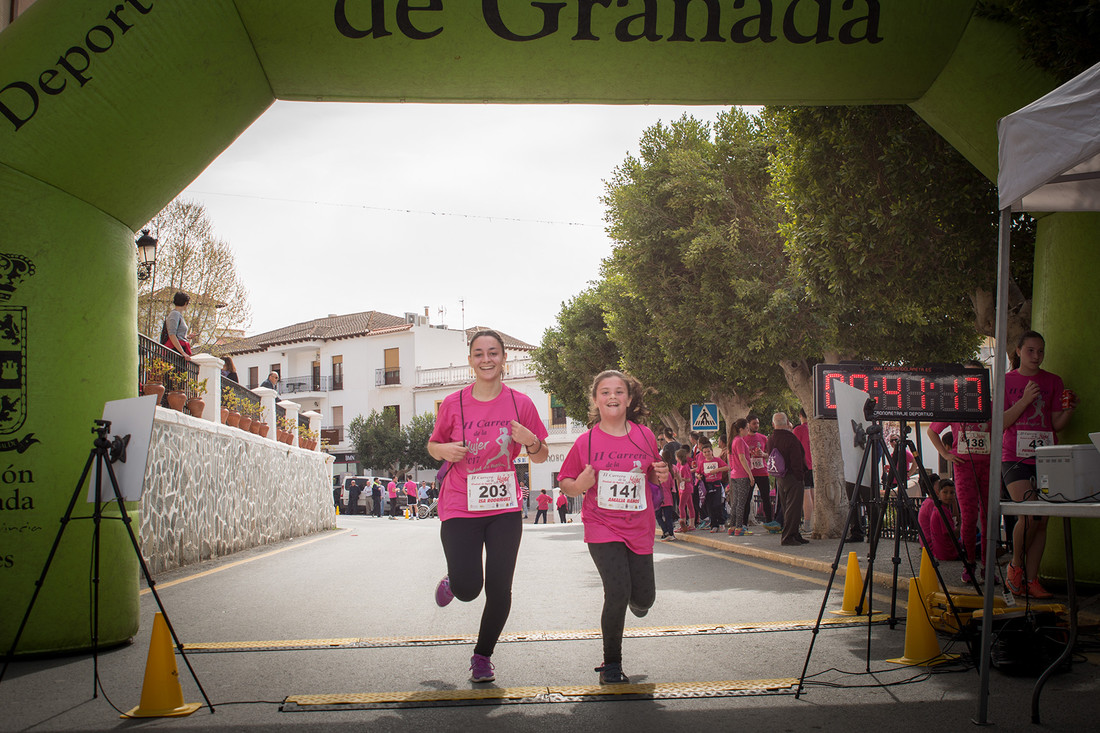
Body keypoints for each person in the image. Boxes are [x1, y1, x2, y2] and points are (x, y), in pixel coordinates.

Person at [426, 330, 549, 683]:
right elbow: (434, 445)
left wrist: (531, 441)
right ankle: (455, 582)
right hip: (460, 504)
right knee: (469, 589)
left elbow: (539, 456)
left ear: (503, 359)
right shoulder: (453, 403)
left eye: (493, 353)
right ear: (470, 361)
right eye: (478, 353)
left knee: (499, 588)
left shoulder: (520, 403)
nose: (486, 359)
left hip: (503, 506)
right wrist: (444, 451)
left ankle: (483, 656)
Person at [559, 370, 669, 685]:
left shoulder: (645, 435)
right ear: (596, 400)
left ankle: (640, 601)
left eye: (619, 391)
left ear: (629, 398)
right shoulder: (586, 441)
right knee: (617, 591)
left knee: (644, 598)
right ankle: (611, 664)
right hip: (601, 526)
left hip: (639, 526)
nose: (612, 397)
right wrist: (580, 483)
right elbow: (566, 483)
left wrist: (658, 473)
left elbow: (651, 472)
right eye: (605, 392)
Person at [1002, 331, 1075, 599]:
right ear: (1019, 351)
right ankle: (1015, 568)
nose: (1036, 356)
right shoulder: (1007, 381)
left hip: (1046, 455)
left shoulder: (1053, 381)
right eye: (1031, 350)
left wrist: (1069, 411)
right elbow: (1000, 422)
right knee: (1029, 514)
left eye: (1041, 351)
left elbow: (1055, 424)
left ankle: (1032, 578)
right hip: (1014, 455)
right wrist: (1025, 399)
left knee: (1042, 520)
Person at [927, 364, 993, 582]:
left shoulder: (990, 406)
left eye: (976, 377)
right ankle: (970, 566)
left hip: (988, 466)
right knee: (969, 517)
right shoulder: (954, 406)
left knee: (989, 517)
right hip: (964, 467)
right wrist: (946, 455)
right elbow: (932, 430)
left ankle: (988, 567)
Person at [764, 412, 808, 546]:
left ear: (773, 424)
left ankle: (795, 533)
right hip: (792, 476)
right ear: (787, 421)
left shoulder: (771, 438)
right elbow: (797, 459)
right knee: (794, 507)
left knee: (786, 505)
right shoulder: (791, 438)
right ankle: (788, 536)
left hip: (779, 476)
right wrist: (800, 476)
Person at [744, 415, 778, 530]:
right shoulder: (743, 439)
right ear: (748, 424)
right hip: (749, 473)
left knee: (766, 498)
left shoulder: (763, 438)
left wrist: (763, 455)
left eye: (757, 423)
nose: (756, 425)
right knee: (747, 498)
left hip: (763, 472)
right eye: (754, 423)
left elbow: (770, 453)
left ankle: (769, 521)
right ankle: (743, 523)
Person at [918, 478, 960, 561]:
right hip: (939, 549)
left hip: (937, 547)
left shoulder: (936, 505)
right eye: (945, 492)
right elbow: (953, 533)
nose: (949, 496)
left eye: (952, 493)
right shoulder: (934, 506)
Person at [694, 436, 729, 533]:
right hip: (707, 485)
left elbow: (727, 467)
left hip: (717, 484)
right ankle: (714, 525)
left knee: (717, 504)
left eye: (708, 451)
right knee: (709, 506)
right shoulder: (702, 462)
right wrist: (698, 476)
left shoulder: (717, 460)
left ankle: (721, 523)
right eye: (704, 452)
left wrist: (717, 470)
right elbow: (697, 472)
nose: (707, 454)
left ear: (712, 451)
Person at [727, 418, 755, 536]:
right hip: (742, 474)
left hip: (734, 474)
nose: (748, 430)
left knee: (735, 502)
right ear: (741, 429)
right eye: (747, 428)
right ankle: (739, 527)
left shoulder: (733, 440)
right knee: (741, 503)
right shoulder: (739, 441)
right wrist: (750, 475)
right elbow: (742, 458)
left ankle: (733, 526)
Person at [792, 408, 814, 533]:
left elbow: (795, 448)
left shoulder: (798, 429)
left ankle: (807, 523)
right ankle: (816, 520)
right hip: (815, 466)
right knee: (813, 493)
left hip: (803, 465)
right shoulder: (814, 428)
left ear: (800, 415)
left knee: (806, 494)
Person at [161, 291, 194, 358]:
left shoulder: (178, 315)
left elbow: (177, 334)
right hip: (175, 351)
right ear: (185, 303)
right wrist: (183, 353)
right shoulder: (174, 314)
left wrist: (187, 336)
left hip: (178, 349)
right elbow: (172, 335)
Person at [656, 444, 678, 541]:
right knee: (668, 517)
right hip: (668, 497)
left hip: (658, 498)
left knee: (659, 516)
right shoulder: (668, 473)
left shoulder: (655, 474)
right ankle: (670, 533)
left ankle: (666, 531)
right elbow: (670, 485)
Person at [675, 448, 695, 532]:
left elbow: (688, 479)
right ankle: (691, 524)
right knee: (690, 505)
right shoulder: (681, 465)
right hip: (684, 487)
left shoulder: (684, 467)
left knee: (681, 506)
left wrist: (680, 478)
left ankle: (683, 523)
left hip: (685, 488)